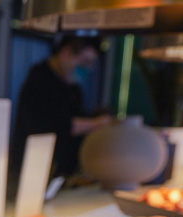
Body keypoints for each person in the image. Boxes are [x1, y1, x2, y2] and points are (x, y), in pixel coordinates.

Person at [10, 36, 111, 182]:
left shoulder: (73, 87)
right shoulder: (39, 79)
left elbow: (79, 116)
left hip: (65, 174)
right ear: (66, 52)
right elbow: (58, 125)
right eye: (84, 61)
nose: (86, 68)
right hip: (35, 172)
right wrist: (97, 123)